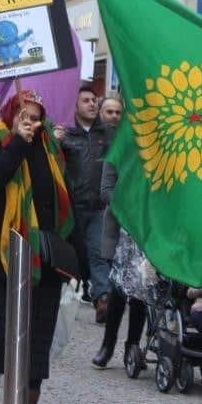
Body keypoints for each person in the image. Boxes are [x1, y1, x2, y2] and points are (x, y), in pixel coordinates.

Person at [0, 90, 74, 404]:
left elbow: (64, 202)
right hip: (2, 254)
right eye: (24, 115)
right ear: (11, 114)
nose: (31, 122)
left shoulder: (52, 150)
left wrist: (76, 258)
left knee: (38, 335)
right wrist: (17, 141)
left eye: (36, 116)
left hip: (43, 256)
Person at [54, 86, 111, 322]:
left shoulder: (107, 133)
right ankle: (65, 297)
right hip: (72, 206)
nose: (92, 104)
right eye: (86, 100)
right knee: (75, 253)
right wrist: (54, 142)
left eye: (94, 100)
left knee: (98, 252)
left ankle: (102, 299)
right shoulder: (65, 133)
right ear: (75, 105)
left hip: (98, 206)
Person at [92, 160, 149, 370]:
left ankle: (132, 347)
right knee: (117, 289)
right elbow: (106, 191)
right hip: (121, 233)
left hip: (147, 232)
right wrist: (129, 201)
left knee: (141, 289)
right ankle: (107, 345)